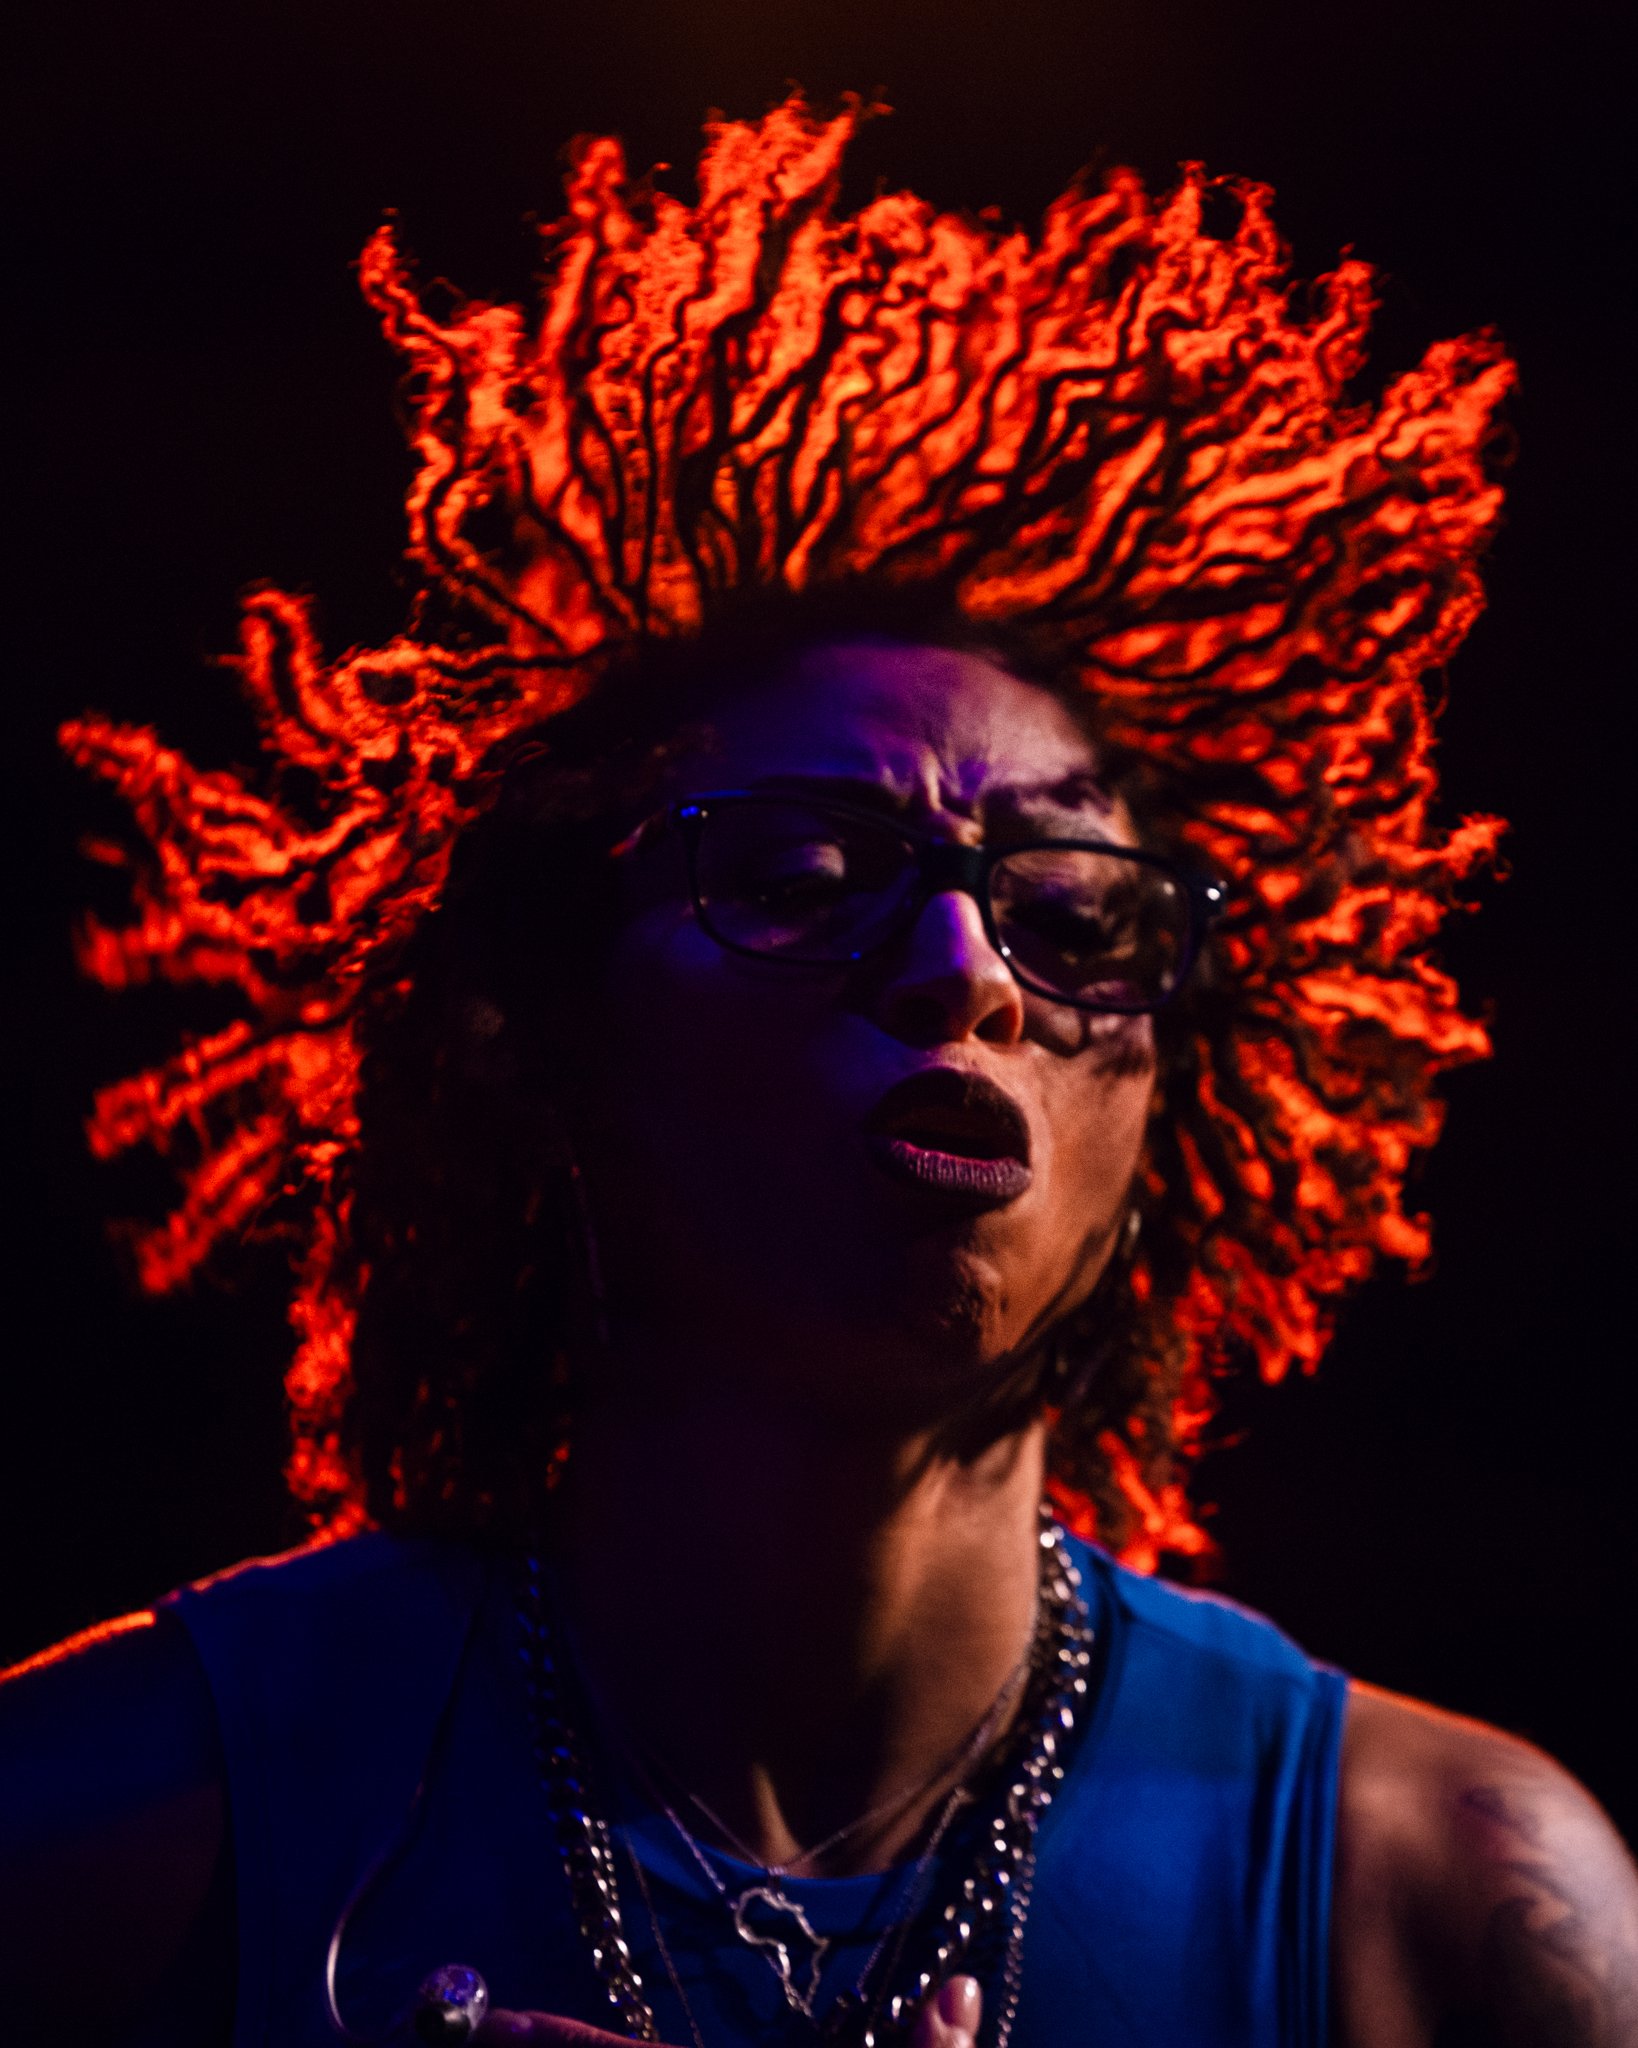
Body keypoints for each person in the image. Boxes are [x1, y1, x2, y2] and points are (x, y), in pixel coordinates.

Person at [4, 95, 1635, 2048]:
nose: (964, 972)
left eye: (1074, 911)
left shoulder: (1452, 1903)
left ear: (1172, 1094)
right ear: (533, 1031)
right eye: (799, 877)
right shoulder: (100, 1827)